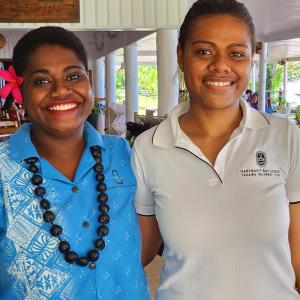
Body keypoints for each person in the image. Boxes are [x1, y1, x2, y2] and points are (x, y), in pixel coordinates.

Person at [131, 0, 300, 299]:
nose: (220, 65)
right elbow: (141, 250)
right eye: (204, 51)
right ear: (181, 55)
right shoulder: (149, 147)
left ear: (251, 59)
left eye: (236, 53)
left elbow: (298, 255)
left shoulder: (284, 136)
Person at [0, 26, 149, 299]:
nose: (60, 90)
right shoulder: (2, 169)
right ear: (21, 93)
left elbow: (148, 237)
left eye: (73, 76)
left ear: (89, 85)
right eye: (42, 81)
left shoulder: (124, 155)